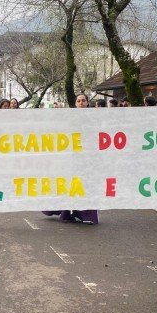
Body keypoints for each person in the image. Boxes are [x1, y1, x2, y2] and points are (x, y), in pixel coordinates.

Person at [42, 93, 99, 225]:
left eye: (83, 101)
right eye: (78, 101)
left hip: (87, 158)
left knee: (85, 185)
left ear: (87, 103)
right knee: (69, 184)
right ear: (75, 103)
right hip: (71, 156)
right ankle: (66, 212)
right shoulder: (68, 118)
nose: (81, 103)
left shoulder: (93, 119)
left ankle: (85, 213)